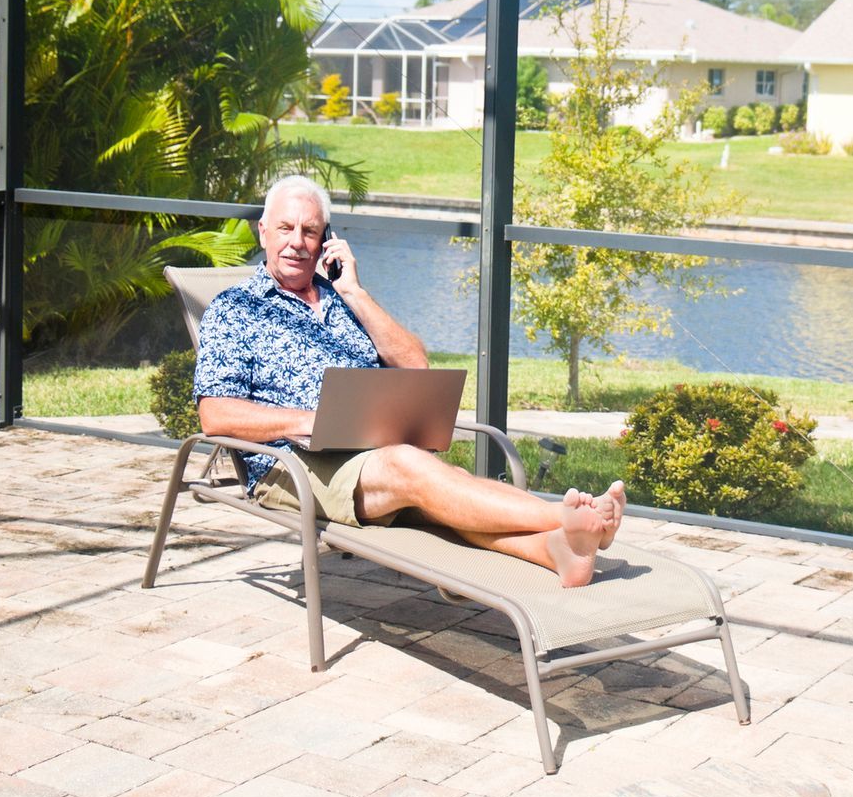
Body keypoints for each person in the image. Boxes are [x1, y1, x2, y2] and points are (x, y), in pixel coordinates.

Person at [194, 174, 625, 587]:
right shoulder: (236, 310)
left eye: (310, 231)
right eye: (285, 228)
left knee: (438, 486)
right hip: (292, 463)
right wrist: (310, 421)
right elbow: (215, 415)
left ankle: (559, 551)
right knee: (412, 468)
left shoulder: (344, 299)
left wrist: (355, 293)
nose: (296, 242)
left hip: (374, 448)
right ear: (262, 232)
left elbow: (416, 365)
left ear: (327, 239)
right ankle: (565, 518)